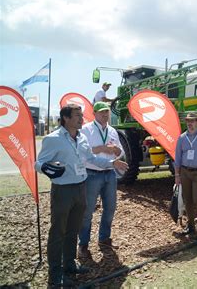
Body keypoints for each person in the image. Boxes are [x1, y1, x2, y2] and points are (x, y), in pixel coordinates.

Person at [35, 104, 128, 288]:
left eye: (81, 115)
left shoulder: (82, 138)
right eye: (77, 115)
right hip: (63, 190)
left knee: (72, 230)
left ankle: (70, 265)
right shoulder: (53, 139)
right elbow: (39, 162)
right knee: (58, 231)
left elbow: (91, 160)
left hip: (80, 188)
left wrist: (112, 163)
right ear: (66, 118)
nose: (81, 118)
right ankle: (55, 273)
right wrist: (45, 168)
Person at [78, 102, 123, 259]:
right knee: (87, 211)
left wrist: (117, 151)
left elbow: (119, 151)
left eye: (107, 112)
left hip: (110, 173)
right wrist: (103, 148)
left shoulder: (112, 131)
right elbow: (83, 152)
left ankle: (104, 239)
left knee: (110, 208)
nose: (105, 115)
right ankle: (83, 244)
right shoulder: (86, 130)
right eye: (102, 112)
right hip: (92, 174)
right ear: (94, 113)